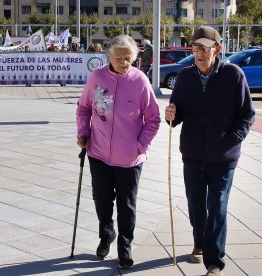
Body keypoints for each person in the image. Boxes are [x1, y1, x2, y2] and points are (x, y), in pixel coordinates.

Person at [165, 26, 255, 276]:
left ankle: (215, 262)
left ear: (218, 49)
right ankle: (199, 243)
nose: (199, 53)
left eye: (204, 48)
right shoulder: (184, 76)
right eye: (195, 48)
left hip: (222, 159)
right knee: (196, 206)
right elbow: (178, 112)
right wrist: (171, 114)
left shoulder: (233, 75)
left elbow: (247, 115)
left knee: (217, 207)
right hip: (192, 156)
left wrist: (231, 140)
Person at [76, 35, 160, 269]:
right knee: (102, 200)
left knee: (126, 204)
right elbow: (83, 108)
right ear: (109, 56)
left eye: (128, 58)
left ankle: (125, 246)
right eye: (118, 58)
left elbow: (153, 119)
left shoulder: (140, 81)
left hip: (129, 158)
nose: (123, 62)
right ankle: (107, 233)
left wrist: (141, 146)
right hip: (98, 153)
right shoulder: (97, 77)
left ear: (135, 58)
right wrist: (83, 132)